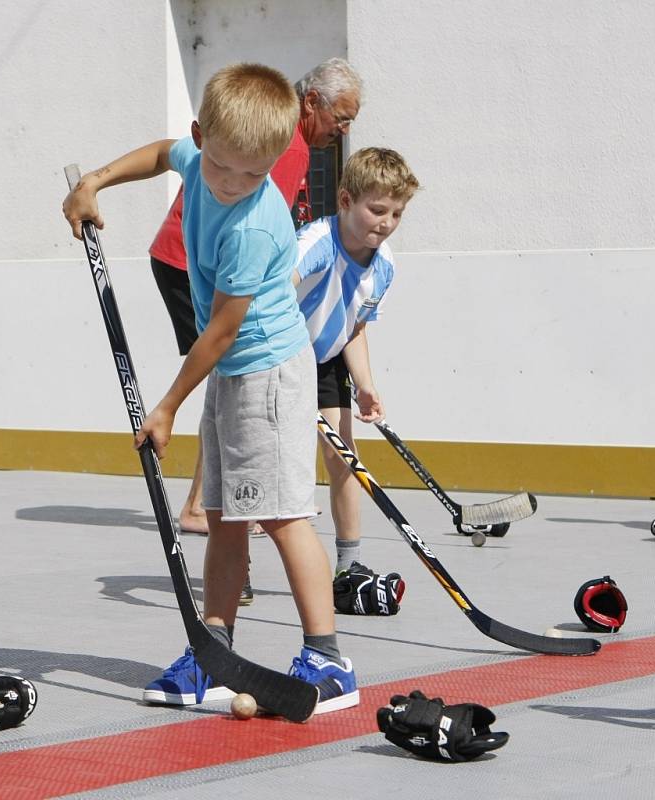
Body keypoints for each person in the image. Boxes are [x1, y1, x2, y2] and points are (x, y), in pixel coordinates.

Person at [63, 63, 359, 714]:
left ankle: (329, 659)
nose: (235, 184)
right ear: (203, 138)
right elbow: (160, 154)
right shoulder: (199, 161)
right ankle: (213, 653)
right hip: (233, 375)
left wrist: (165, 407)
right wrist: (94, 184)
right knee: (225, 519)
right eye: (223, 167)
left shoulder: (256, 224)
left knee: (281, 516)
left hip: (268, 375)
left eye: (255, 175)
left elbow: (222, 331)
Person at [149, 58, 363, 549]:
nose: (344, 130)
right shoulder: (285, 150)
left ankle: (207, 503)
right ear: (312, 103)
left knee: (222, 368)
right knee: (223, 364)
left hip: (187, 261)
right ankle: (205, 503)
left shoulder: (264, 137)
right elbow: (263, 229)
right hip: (196, 266)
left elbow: (169, 154)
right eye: (341, 117)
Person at [294, 147, 420, 588]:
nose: (386, 222)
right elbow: (267, 298)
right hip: (280, 358)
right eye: (377, 209)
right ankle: (242, 565)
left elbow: (355, 326)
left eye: (397, 214)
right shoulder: (314, 244)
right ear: (346, 201)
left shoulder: (384, 266)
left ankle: (349, 564)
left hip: (326, 360)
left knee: (343, 457)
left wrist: (365, 385)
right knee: (278, 466)